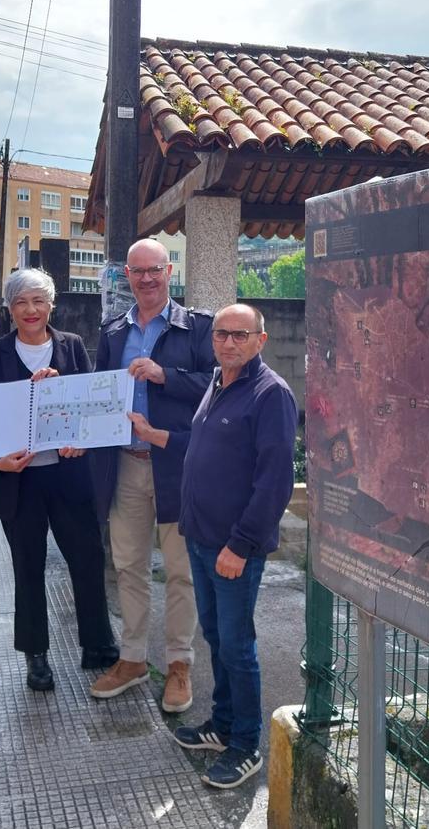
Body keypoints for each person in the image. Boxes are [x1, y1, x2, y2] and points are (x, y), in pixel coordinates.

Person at [131, 304, 297, 789]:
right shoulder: (218, 384)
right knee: (218, 639)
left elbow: (274, 483)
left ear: (260, 341)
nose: (228, 342)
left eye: (240, 335)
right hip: (201, 540)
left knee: (238, 647)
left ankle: (245, 745)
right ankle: (222, 726)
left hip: (232, 549)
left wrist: (241, 546)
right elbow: (198, 447)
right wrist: (151, 435)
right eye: (221, 334)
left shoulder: (270, 395)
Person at [0, 268, 118, 692]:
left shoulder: (71, 346)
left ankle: (98, 645)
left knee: (88, 560)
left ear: (51, 305)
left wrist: (81, 441)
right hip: (19, 483)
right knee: (28, 569)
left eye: (39, 301)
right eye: (21, 302)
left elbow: (88, 406)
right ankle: (36, 656)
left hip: (69, 476)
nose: (31, 310)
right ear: (9, 308)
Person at [88, 239, 215, 712]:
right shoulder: (114, 330)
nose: (146, 279)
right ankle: (134, 657)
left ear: (168, 272)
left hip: (177, 466)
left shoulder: (198, 327)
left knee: (181, 570)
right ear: (126, 274)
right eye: (137, 271)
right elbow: (100, 392)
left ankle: (179, 663)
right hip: (125, 463)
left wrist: (166, 376)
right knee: (128, 566)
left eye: (154, 270)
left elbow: (218, 384)